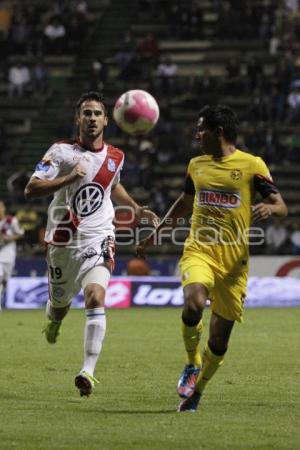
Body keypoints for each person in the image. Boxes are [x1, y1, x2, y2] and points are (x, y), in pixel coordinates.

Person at [137, 105, 288, 412]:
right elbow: (185, 202)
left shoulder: (251, 165)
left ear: (218, 132)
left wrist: (270, 209)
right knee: (193, 303)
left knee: (219, 339)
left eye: (200, 129)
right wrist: (159, 231)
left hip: (234, 264)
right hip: (199, 250)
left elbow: (281, 205)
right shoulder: (196, 165)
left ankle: (197, 391)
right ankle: (192, 363)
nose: (196, 135)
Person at [24, 91, 157, 397]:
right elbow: (32, 188)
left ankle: (88, 371)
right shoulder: (60, 153)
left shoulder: (116, 156)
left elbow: (111, 185)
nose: (92, 119)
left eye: (97, 113)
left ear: (107, 120)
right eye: (87, 113)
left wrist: (135, 208)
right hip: (61, 243)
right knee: (59, 307)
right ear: (78, 119)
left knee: (96, 297)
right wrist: (69, 178)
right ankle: (53, 319)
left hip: (99, 237)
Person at [0, 200, 24, 310]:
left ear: (4, 208)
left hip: (8, 254)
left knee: (4, 280)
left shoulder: (11, 220)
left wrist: (9, 238)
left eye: (0, 206)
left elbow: (21, 233)